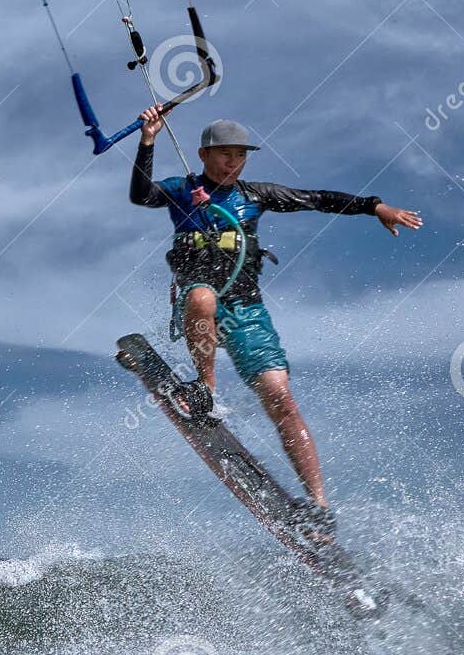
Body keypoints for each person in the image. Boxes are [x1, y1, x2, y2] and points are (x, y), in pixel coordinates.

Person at [129, 109, 422, 527]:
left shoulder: (255, 195)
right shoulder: (182, 190)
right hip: (200, 303)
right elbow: (141, 195)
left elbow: (316, 199)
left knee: (280, 397)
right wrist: (148, 140)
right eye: (225, 154)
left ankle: (318, 507)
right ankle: (206, 390)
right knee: (201, 296)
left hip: (246, 309)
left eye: (240, 155)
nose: (233, 162)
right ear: (204, 154)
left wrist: (375, 206)